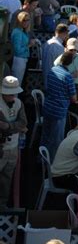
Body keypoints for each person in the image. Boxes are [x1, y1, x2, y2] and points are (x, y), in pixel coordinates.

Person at [41, 52, 77, 160]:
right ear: (71, 63)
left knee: (45, 136)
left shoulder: (52, 70)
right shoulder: (68, 77)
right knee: (56, 141)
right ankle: (51, 165)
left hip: (47, 107)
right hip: (59, 111)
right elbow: (73, 98)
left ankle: (41, 158)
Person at [0, 76, 28, 208]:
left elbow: (23, 123)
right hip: (2, 148)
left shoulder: (19, 103)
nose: (12, 96)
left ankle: (3, 204)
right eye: (9, 94)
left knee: (7, 179)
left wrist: (8, 126)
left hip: (13, 147)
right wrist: (15, 127)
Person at [10, 11, 33, 84]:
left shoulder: (23, 31)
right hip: (18, 60)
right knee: (15, 85)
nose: (26, 22)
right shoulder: (17, 32)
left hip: (22, 59)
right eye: (24, 20)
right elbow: (17, 50)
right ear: (19, 20)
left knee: (17, 84)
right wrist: (29, 45)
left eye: (28, 20)